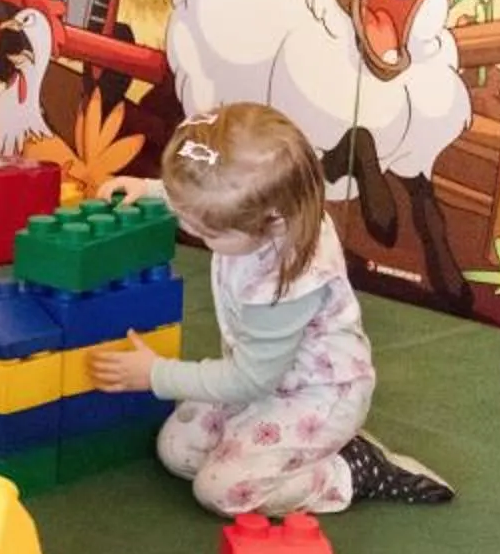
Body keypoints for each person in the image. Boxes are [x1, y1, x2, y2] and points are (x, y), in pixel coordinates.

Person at [90, 102, 453, 513]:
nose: (189, 228)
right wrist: (156, 191)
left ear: (272, 220)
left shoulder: (283, 283)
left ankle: (353, 469)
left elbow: (249, 381)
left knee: (221, 491)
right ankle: (287, 451)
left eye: (206, 230)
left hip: (313, 395)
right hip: (264, 375)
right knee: (178, 450)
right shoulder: (276, 202)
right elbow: (217, 194)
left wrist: (156, 375)